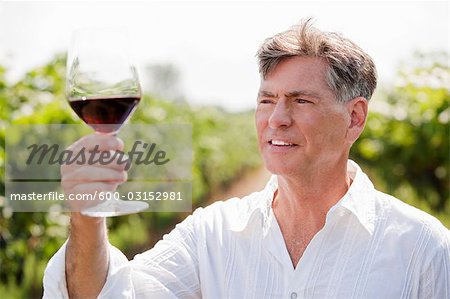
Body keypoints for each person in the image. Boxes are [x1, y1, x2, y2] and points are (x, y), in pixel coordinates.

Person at [43, 19, 450, 298]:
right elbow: (107, 294)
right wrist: (87, 215)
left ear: (354, 117)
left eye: (301, 100)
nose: (277, 119)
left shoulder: (423, 248)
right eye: (266, 100)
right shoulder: (211, 234)